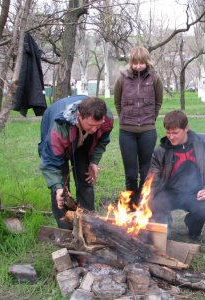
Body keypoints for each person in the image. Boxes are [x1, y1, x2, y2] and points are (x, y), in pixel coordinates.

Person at [38, 95, 114, 229]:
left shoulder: (105, 118)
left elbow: (102, 141)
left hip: (81, 140)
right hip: (64, 135)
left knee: (85, 178)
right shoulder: (59, 127)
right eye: (91, 125)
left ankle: (87, 225)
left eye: (98, 125)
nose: (94, 130)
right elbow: (50, 161)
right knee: (61, 188)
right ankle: (66, 228)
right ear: (79, 116)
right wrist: (57, 186)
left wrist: (94, 162)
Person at [148, 110, 205, 241]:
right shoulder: (160, 151)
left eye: (175, 133)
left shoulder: (204, 142)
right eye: (168, 132)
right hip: (169, 193)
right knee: (154, 204)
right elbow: (153, 180)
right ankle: (165, 227)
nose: (171, 137)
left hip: (196, 193)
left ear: (186, 128)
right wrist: (146, 201)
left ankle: (193, 225)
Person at [114, 46, 163, 208]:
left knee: (145, 171)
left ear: (147, 62)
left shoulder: (154, 78)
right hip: (126, 132)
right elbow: (117, 102)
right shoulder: (122, 78)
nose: (138, 66)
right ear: (131, 62)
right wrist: (124, 118)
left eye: (141, 63)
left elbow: (158, 102)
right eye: (135, 63)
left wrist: (150, 119)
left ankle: (143, 202)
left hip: (148, 131)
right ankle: (130, 204)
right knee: (131, 172)